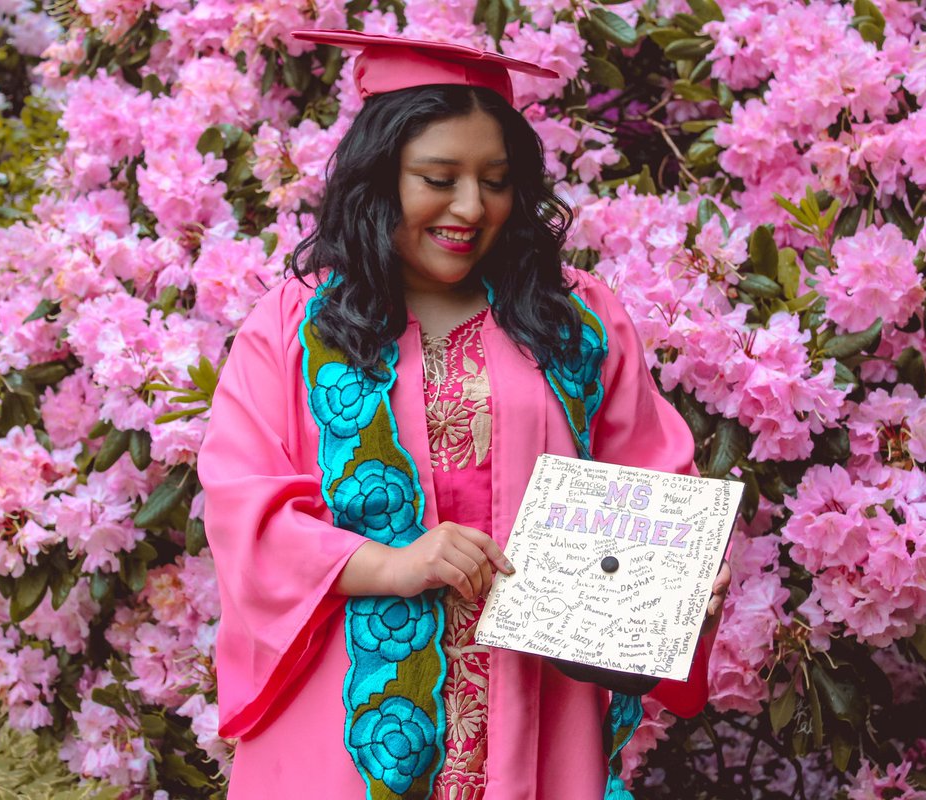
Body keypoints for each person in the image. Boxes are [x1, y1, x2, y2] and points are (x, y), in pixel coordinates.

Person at [197, 30, 730, 800]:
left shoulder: (573, 318)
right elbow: (245, 505)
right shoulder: (296, 326)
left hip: (539, 703)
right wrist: (396, 564)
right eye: (439, 178)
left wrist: (681, 579)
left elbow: (650, 478)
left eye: (497, 180)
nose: (472, 208)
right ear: (378, 180)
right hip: (348, 715)